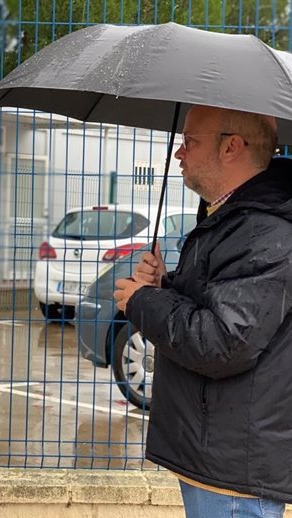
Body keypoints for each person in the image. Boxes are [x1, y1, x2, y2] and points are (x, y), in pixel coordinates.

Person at [114, 105, 292, 517]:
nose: (179, 153)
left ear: (231, 147)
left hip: (234, 472)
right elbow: (221, 304)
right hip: (217, 457)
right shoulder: (233, 219)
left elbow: (223, 342)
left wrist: (143, 301)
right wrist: (165, 285)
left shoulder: (266, 232)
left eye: (190, 141)